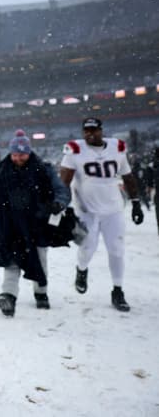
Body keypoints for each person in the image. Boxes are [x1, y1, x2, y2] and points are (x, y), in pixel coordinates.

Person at [60, 117, 144, 312]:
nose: (90, 134)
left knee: (116, 249)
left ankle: (118, 290)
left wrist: (136, 202)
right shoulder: (75, 149)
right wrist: (62, 205)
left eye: (94, 130)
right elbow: (64, 181)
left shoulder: (117, 147)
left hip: (113, 208)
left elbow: (128, 176)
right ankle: (81, 270)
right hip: (86, 209)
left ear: (101, 130)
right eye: (86, 130)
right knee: (88, 248)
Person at [0, 130, 71, 316]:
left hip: (38, 223)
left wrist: (58, 203)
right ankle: (8, 297)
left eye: (23, 154)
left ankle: (41, 293)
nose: (19, 158)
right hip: (10, 225)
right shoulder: (3, 171)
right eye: (16, 154)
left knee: (40, 260)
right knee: (11, 262)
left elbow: (61, 189)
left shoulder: (43, 169)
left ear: (29, 152)